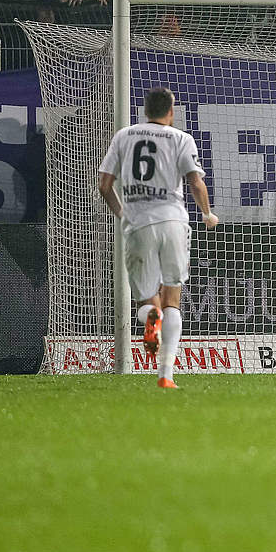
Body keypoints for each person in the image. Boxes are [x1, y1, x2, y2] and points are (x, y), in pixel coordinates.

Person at [96, 87, 218, 389]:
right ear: (171, 112)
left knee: (147, 300)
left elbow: (104, 185)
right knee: (172, 297)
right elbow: (195, 182)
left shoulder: (124, 136)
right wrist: (207, 213)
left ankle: (151, 316)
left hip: (138, 223)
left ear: (145, 110)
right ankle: (166, 375)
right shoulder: (181, 139)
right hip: (173, 221)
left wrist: (123, 214)